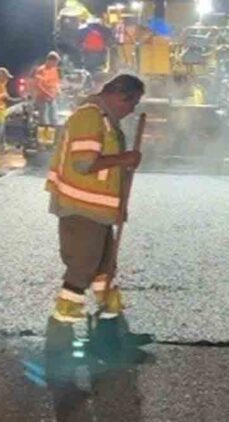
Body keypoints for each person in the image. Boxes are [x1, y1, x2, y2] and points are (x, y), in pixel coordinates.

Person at [45, 74, 145, 323]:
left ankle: (106, 299)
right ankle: (67, 307)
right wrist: (125, 159)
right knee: (84, 259)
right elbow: (84, 163)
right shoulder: (90, 116)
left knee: (104, 258)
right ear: (119, 96)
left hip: (96, 207)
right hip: (81, 206)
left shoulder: (104, 119)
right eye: (131, 104)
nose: (132, 111)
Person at [34, 51, 62, 126]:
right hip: (43, 99)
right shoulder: (41, 70)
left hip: (52, 98)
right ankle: (44, 137)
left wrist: (58, 90)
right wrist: (48, 94)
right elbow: (38, 85)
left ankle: (54, 135)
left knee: (54, 118)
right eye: (55, 62)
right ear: (50, 60)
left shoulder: (54, 70)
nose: (56, 64)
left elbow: (56, 82)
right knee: (44, 120)